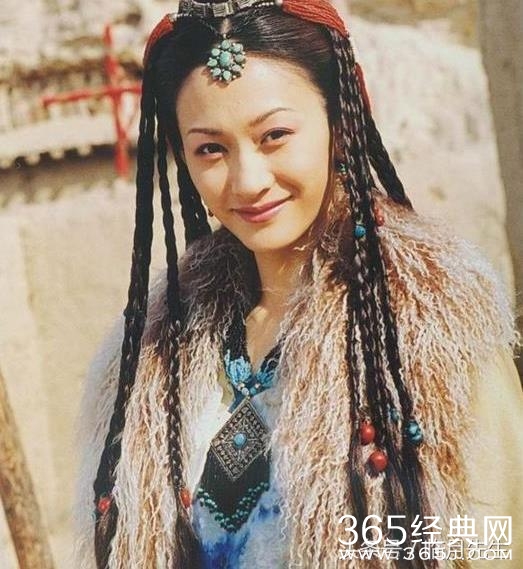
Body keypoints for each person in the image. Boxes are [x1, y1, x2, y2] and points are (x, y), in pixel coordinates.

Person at [73, 1, 523, 567]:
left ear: (342, 119)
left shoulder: (431, 326)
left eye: (275, 135)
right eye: (211, 149)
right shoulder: (150, 356)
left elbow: (497, 541)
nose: (248, 181)